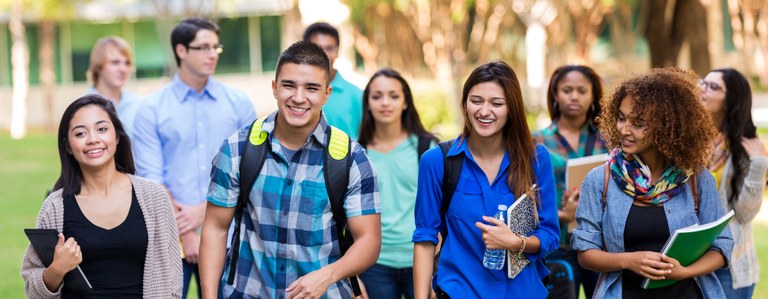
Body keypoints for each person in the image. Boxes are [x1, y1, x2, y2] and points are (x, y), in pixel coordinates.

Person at [199, 41, 381, 299]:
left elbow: (369, 241)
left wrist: (329, 275)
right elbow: (215, 229)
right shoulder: (237, 149)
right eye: (288, 85)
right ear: (274, 88)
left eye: (311, 88)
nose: (298, 97)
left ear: (327, 94)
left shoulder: (351, 158)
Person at [572, 68, 734, 298]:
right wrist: (628, 261)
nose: (624, 129)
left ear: (666, 128)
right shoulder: (601, 180)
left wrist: (684, 271)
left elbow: (722, 245)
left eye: (638, 123)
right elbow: (585, 252)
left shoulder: (696, 179)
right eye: (621, 118)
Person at [412, 60, 560, 298]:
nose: (484, 111)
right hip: (460, 290)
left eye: (496, 103)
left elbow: (550, 234)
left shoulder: (536, 158)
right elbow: (425, 237)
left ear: (511, 107)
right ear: (465, 104)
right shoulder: (437, 161)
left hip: (522, 292)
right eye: (476, 101)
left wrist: (516, 242)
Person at [132, 18, 257, 299]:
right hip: (167, 241)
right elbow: (151, 179)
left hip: (231, 238)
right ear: (181, 50)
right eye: (202, 47)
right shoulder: (151, 109)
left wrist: (205, 212)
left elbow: (251, 168)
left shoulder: (239, 104)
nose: (211, 54)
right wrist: (186, 235)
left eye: (215, 47)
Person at [21, 95, 182, 298]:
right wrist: (57, 269)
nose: (93, 139)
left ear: (117, 137)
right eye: (80, 133)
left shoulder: (153, 196)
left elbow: (173, 277)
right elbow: (32, 286)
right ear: (68, 147)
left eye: (102, 129)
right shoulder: (55, 206)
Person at [356, 68, 438, 299]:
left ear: (405, 102)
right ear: (368, 103)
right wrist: (354, 278)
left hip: (421, 258)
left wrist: (437, 268)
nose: (385, 103)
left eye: (393, 96)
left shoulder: (427, 149)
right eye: (377, 96)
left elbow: (441, 210)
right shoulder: (357, 153)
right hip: (374, 263)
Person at [533, 65, 607, 298]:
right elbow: (525, 194)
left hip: (601, 241)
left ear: (593, 96)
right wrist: (563, 214)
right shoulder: (537, 141)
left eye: (582, 91)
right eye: (567, 90)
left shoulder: (608, 140)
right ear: (555, 94)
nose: (574, 96)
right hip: (557, 242)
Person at [700, 68, 768, 299]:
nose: (703, 90)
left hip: (730, 264)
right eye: (703, 83)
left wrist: (759, 165)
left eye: (713, 87)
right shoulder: (691, 141)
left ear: (730, 101)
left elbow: (745, 214)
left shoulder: (745, 147)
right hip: (689, 260)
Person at [303, 22, 364, 140]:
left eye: (330, 48)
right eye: (317, 48)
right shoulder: (296, 95)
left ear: (337, 52)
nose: (324, 54)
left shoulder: (357, 95)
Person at [85, 36, 143, 138]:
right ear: (98, 66)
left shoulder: (139, 105)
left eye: (127, 63)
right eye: (115, 62)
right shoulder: (82, 108)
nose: (123, 69)